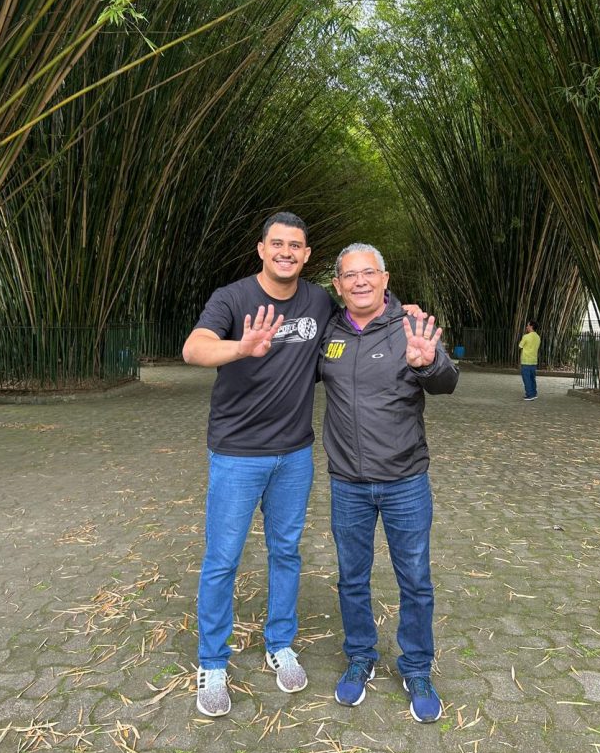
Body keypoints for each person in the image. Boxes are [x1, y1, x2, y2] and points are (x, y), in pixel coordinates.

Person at [182, 212, 336, 717]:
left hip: (294, 453)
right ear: (261, 249)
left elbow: (362, 316)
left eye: (296, 244)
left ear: (307, 254)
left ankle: (280, 644)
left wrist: (403, 312)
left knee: (286, 551)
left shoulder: (318, 299)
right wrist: (240, 348)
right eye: (277, 244)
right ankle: (212, 661)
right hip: (236, 453)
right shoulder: (232, 298)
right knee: (222, 558)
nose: (286, 251)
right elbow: (194, 348)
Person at [318, 243, 459, 724]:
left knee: (415, 580)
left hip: (405, 481)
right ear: (337, 285)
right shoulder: (328, 330)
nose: (359, 281)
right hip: (348, 484)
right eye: (349, 275)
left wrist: (427, 363)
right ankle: (360, 656)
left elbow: (446, 383)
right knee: (351, 577)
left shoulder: (410, 326)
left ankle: (417, 666)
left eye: (368, 273)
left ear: (384, 278)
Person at [519, 320, 541, 400]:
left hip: (526, 361)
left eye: (528, 325)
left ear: (531, 326)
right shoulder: (538, 337)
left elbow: (520, 346)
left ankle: (530, 395)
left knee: (527, 379)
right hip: (534, 361)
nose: (526, 327)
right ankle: (534, 393)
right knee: (532, 378)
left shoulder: (526, 336)